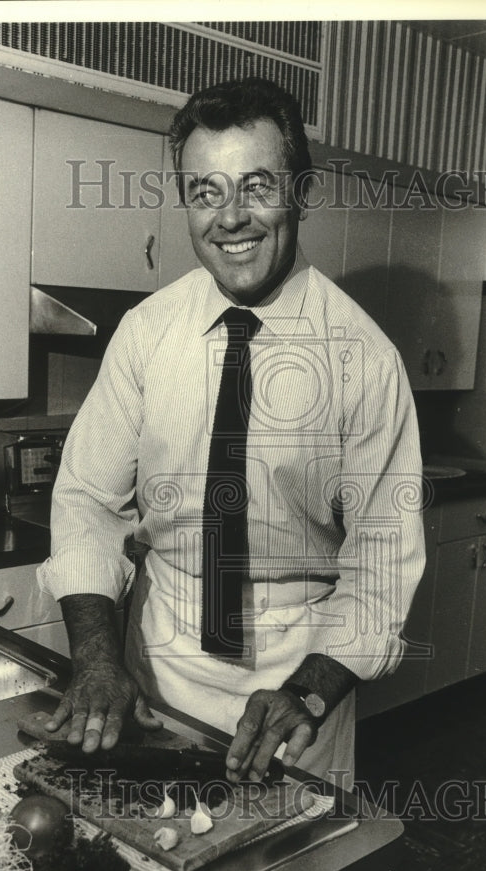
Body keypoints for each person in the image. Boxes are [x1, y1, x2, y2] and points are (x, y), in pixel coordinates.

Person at [37, 77, 425, 791]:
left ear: (300, 190)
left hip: (298, 682)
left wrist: (306, 694)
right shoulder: (147, 334)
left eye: (256, 187)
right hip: (155, 660)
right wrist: (96, 659)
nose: (231, 218)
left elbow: (382, 565)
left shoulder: (364, 359)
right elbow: (88, 502)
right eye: (206, 192)